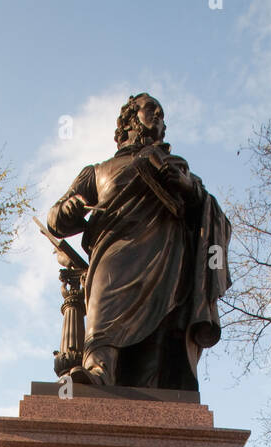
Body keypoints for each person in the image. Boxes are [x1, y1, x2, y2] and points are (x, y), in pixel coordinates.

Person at [47, 94, 230, 390]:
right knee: (103, 318)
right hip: (113, 255)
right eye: (151, 110)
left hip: (166, 261)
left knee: (156, 337)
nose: (159, 116)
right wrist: (69, 210)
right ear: (130, 119)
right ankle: (98, 373)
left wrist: (186, 187)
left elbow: (209, 212)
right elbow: (55, 219)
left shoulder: (175, 166)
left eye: (161, 114)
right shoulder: (97, 172)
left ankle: (149, 402)